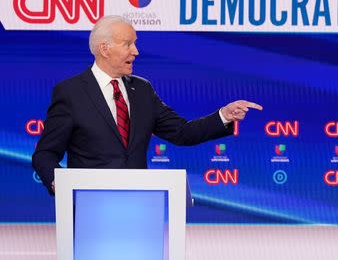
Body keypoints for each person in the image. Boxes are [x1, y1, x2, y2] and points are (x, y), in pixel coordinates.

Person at [32, 15, 262, 194]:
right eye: (128, 44)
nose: (136, 51)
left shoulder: (142, 90)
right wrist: (60, 186)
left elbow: (182, 133)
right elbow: (45, 154)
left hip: (139, 200)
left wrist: (223, 115)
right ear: (105, 49)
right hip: (89, 203)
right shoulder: (71, 92)